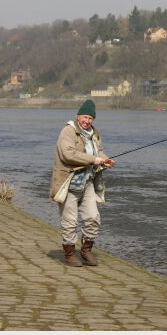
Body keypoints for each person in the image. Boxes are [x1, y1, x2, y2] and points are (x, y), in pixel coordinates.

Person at [50, 100, 115, 267]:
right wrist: (94, 159)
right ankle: (70, 254)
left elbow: (98, 151)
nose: (87, 121)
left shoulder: (94, 133)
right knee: (70, 221)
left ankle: (86, 251)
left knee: (93, 217)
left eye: (91, 118)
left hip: (87, 182)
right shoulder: (68, 131)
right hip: (68, 183)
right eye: (85, 117)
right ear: (78, 116)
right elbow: (68, 154)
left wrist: (105, 159)